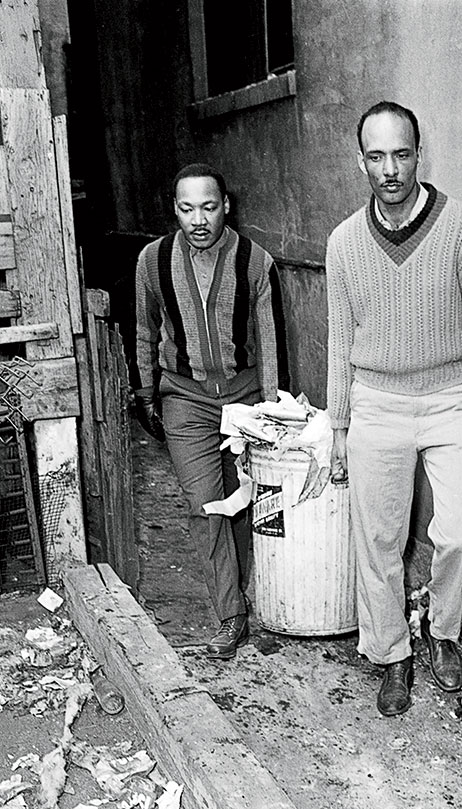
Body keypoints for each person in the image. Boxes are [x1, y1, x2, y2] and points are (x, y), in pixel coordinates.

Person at [326, 102, 462, 716]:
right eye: (377, 156)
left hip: (450, 400)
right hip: (377, 404)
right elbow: (339, 342)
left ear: (419, 154)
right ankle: (391, 655)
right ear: (362, 161)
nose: (390, 169)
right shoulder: (343, 242)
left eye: (402, 154)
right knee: (378, 541)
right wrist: (338, 426)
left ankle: (443, 631)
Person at [131, 163, 288, 659]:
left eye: (209, 207)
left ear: (227, 206)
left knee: (247, 502)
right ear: (174, 209)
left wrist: (273, 409)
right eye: (186, 208)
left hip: (244, 397)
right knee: (206, 505)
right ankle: (230, 614)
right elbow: (143, 331)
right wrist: (146, 394)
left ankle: (254, 590)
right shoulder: (152, 262)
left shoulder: (256, 263)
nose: (198, 219)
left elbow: (272, 344)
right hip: (186, 398)